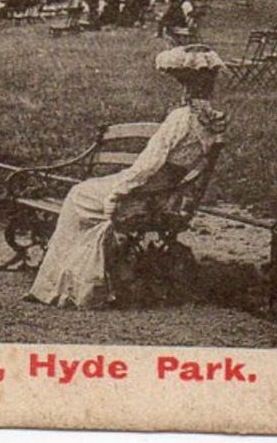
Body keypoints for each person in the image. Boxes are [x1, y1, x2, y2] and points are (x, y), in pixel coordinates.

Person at [28, 46, 230, 308]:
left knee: (78, 194)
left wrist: (119, 190)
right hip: (165, 192)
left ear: (186, 86)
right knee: (86, 191)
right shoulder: (212, 121)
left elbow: (147, 165)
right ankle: (78, 275)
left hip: (143, 193)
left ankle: (65, 282)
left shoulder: (181, 118)